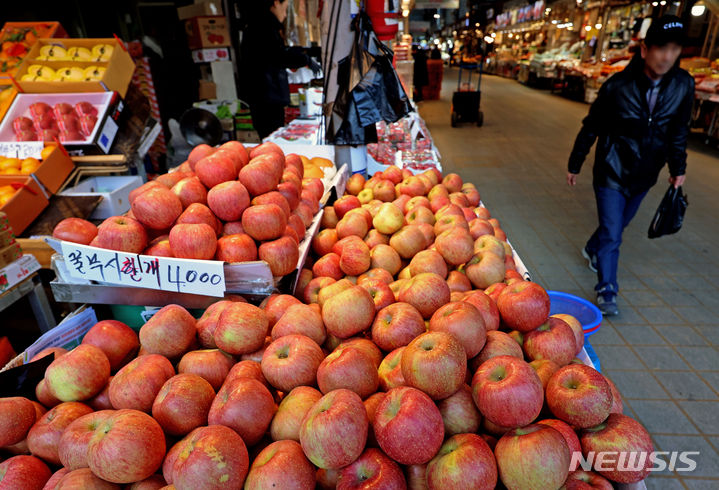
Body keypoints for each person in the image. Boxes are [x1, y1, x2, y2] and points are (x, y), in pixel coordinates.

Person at [566, 16, 694, 316]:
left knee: (619, 224)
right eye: (662, 48)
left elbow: (679, 131)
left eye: (674, 49)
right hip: (611, 169)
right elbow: (591, 126)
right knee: (613, 232)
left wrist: (678, 168)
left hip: (646, 172)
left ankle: (591, 248)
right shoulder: (618, 86)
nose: (667, 56)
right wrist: (576, 162)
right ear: (645, 48)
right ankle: (607, 289)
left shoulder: (683, 85)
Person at [240, 0, 320, 139]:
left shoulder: (258, 25)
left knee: (271, 137)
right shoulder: (264, 26)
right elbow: (278, 56)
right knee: (271, 138)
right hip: (267, 96)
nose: (285, 14)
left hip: (264, 96)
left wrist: (306, 53)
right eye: (285, 8)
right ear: (276, 3)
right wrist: (304, 59)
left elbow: (277, 52)